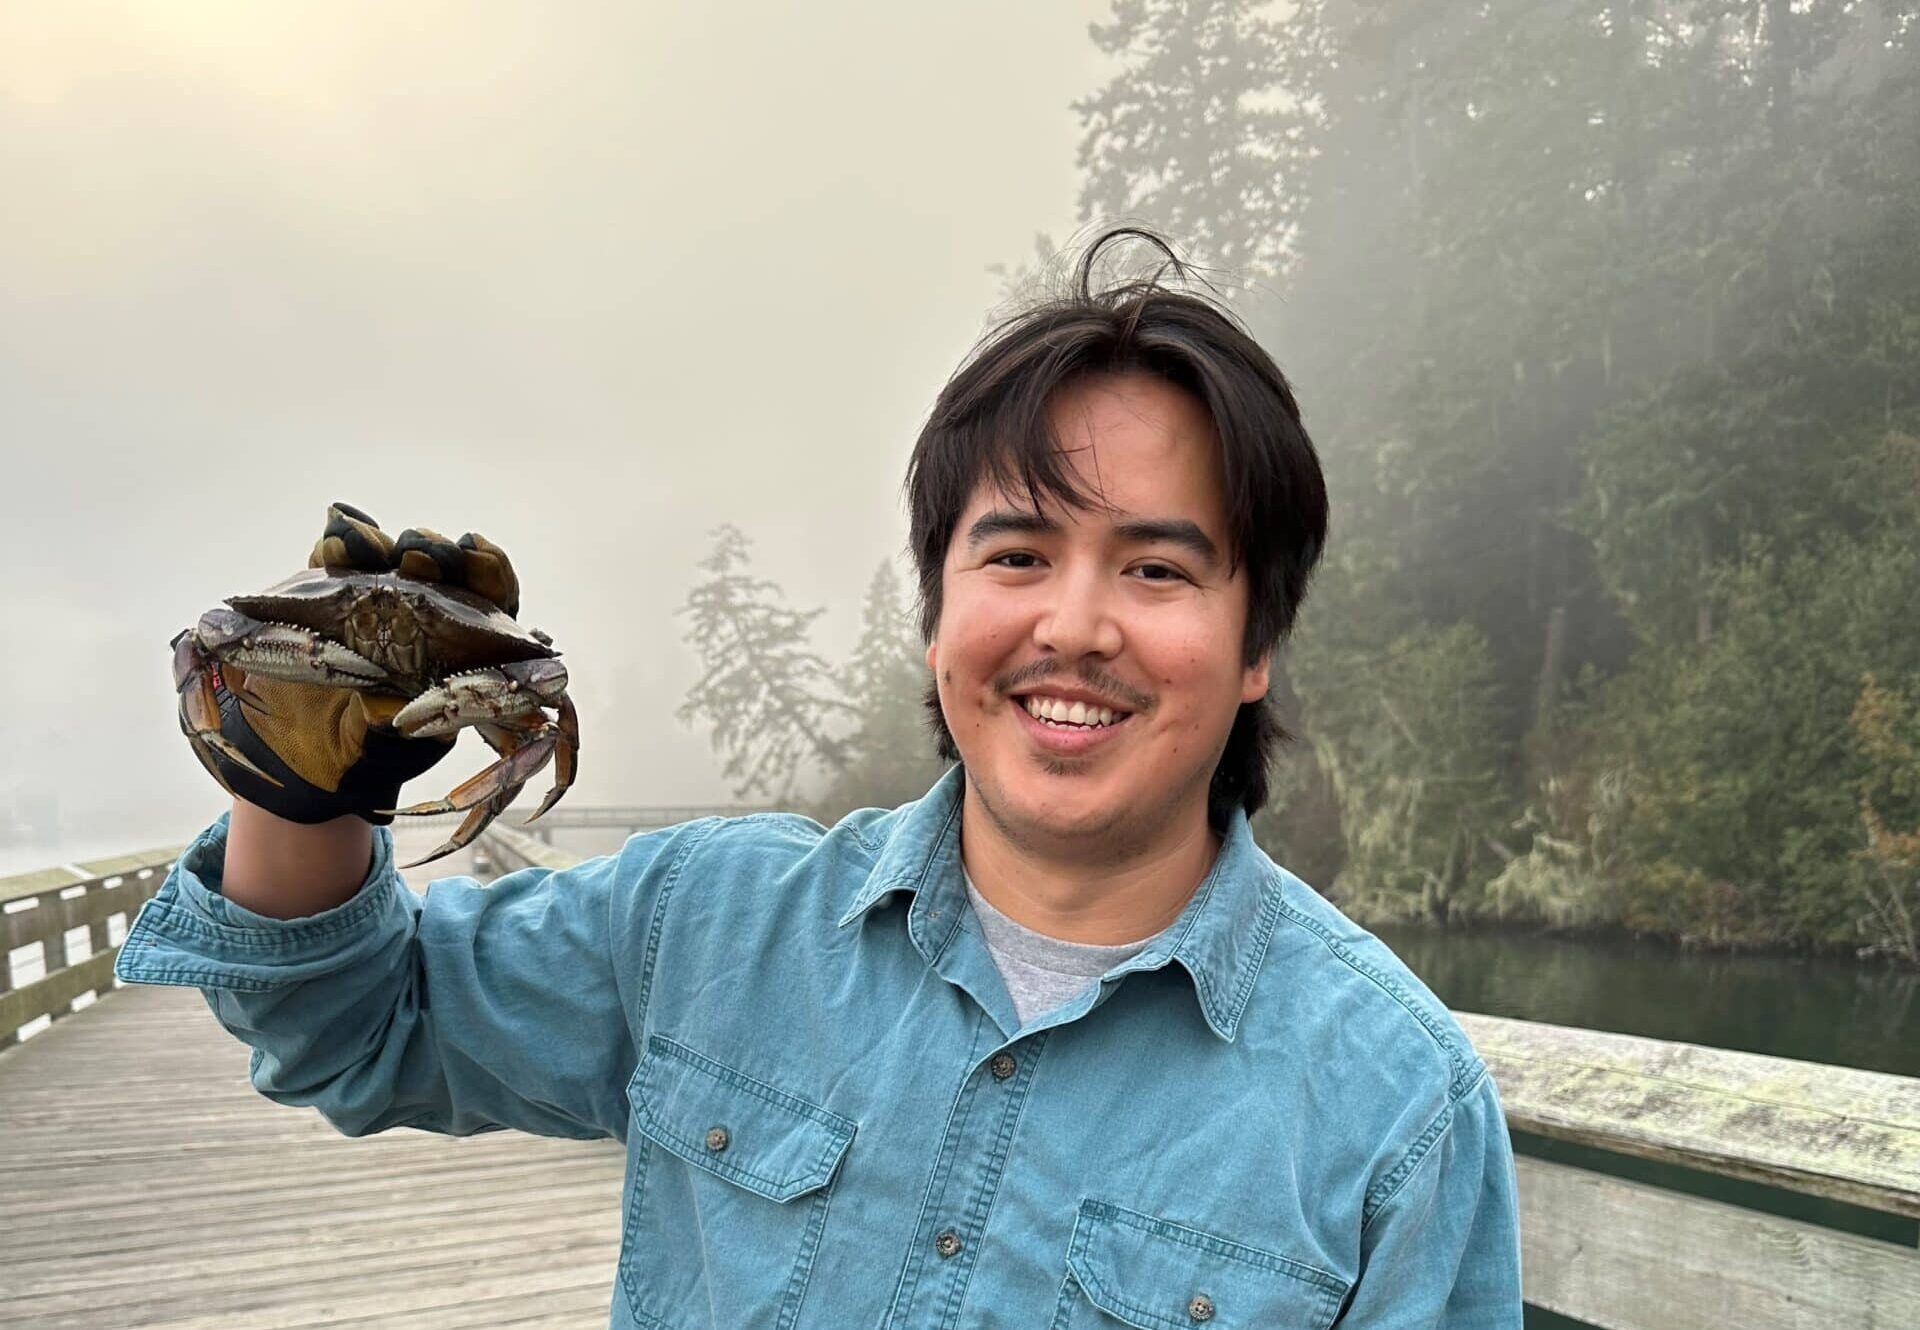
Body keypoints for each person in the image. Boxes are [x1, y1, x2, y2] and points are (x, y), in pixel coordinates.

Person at [120, 228, 1523, 1328]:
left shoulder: (1395, 1113)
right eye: (1017, 554)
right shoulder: (706, 925)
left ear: (1257, 638)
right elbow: (354, 1026)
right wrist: (296, 785)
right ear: (935, 611)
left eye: (1157, 568)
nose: (1077, 625)